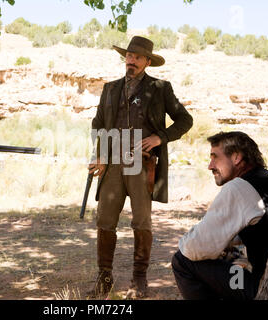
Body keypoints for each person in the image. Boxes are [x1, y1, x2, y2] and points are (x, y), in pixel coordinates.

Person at [88, 36, 193, 299]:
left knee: (141, 222)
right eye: (129, 56)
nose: (131, 61)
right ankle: (104, 279)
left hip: (142, 164)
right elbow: (98, 124)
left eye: (137, 57)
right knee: (105, 221)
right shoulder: (110, 88)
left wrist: (161, 137)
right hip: (111, 163)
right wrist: (99, 154)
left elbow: (185, 119)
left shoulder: (160, 88)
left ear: (147, 62)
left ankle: (139, 279)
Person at [171, 131, 268, 300]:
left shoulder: (239, 187)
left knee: (182, 260)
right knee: (233, 257)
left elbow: (193, 248)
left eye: (215, 157)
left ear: (237, 158)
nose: (210, 166)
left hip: (264, 287)